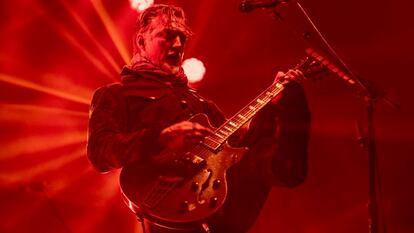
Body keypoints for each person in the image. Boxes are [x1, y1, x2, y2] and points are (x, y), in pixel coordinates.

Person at [87, 4, 311, 233]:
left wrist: (272, 105)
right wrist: (161, 138)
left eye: (182, 38)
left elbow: (238, 149)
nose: (177, 45)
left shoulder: (201, 104)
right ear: (141, 41)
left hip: (211, 207)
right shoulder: (116, 95)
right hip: (165, 206)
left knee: (275, 157)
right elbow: (100, 152)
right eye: (167, 35)